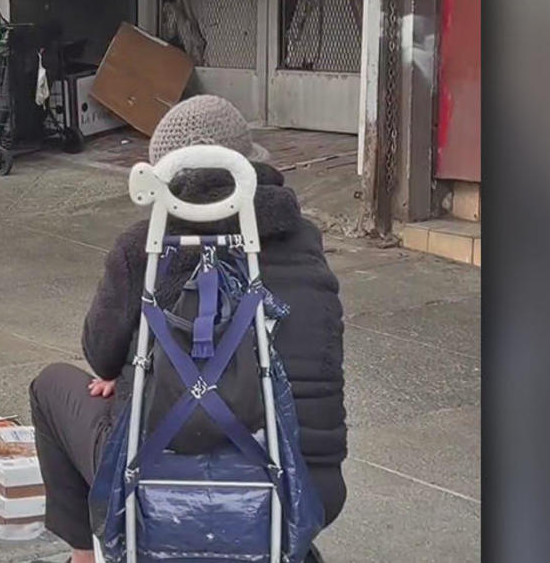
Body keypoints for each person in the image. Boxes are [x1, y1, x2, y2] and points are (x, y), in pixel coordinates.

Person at [29, 96, 347, 563]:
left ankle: (84, 555)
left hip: (162, 485)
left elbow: (99, 354)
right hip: (307, 483)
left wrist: (134, 366)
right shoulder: (304, 241)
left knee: (51, 388)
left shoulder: (147, 246)